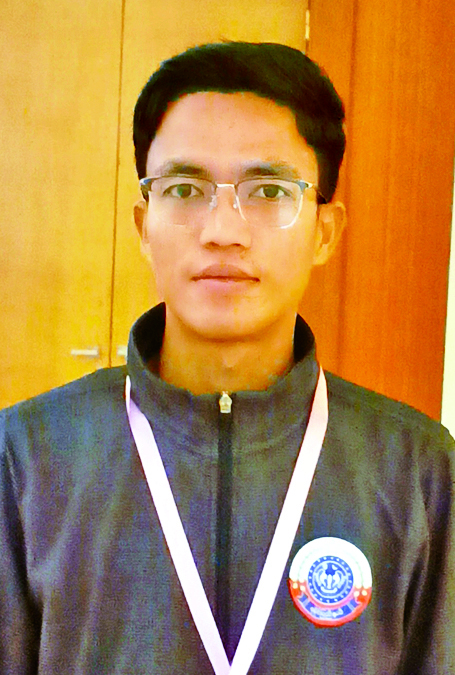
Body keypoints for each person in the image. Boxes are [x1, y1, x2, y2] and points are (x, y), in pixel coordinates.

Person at [0, 41, 454, 675]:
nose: (223, 231)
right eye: (185, 188)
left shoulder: (418, 471)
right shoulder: (27, 458)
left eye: (268, 191)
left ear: (324, 232)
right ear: (144, 226)